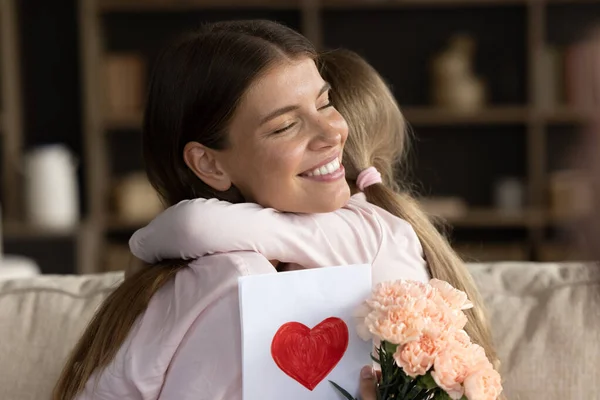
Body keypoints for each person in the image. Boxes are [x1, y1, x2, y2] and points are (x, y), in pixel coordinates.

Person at [53, 22, 497, 400]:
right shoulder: (229, 277)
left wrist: (142, 249)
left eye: (325, 102)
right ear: (209, 162)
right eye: (285, 125)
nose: (330, 132)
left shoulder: (366, 233)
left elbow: (194, 224)